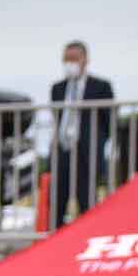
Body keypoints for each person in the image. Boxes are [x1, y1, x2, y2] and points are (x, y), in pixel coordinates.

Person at [49, 40, 115, 221]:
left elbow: (108, 121)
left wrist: (95, 142)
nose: (69, 63)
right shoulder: (57, 89)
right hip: (62, 152)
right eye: (66, 59)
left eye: (74, 58)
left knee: (87, 202)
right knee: (57, 202)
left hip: (87, 153)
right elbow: (57, 118)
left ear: (85, 60)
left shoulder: (101, 86)